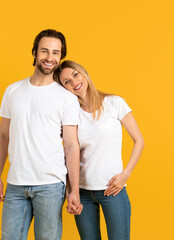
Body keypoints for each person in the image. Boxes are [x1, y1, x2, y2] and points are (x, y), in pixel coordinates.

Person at [0, 30, 83, 240]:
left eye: (55, 53)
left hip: (50, 185)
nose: (49, 57)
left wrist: (73, 190)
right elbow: (3, 135)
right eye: (44, 51)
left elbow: (71, 145)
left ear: (60, 57)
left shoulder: (66, 98)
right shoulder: (13, 90)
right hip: (15, 184)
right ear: (34, 52)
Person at [54, 60, 145, 240]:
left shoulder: (114, 103)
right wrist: (71, 192)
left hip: (113, 190)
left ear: (84, 73)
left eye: (75, 75)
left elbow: (139, 141)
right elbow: (66, 153)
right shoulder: (70, 114)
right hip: (82, 192)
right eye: (66, 82)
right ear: (64, 89)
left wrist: (125, 175)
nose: (74, 82)